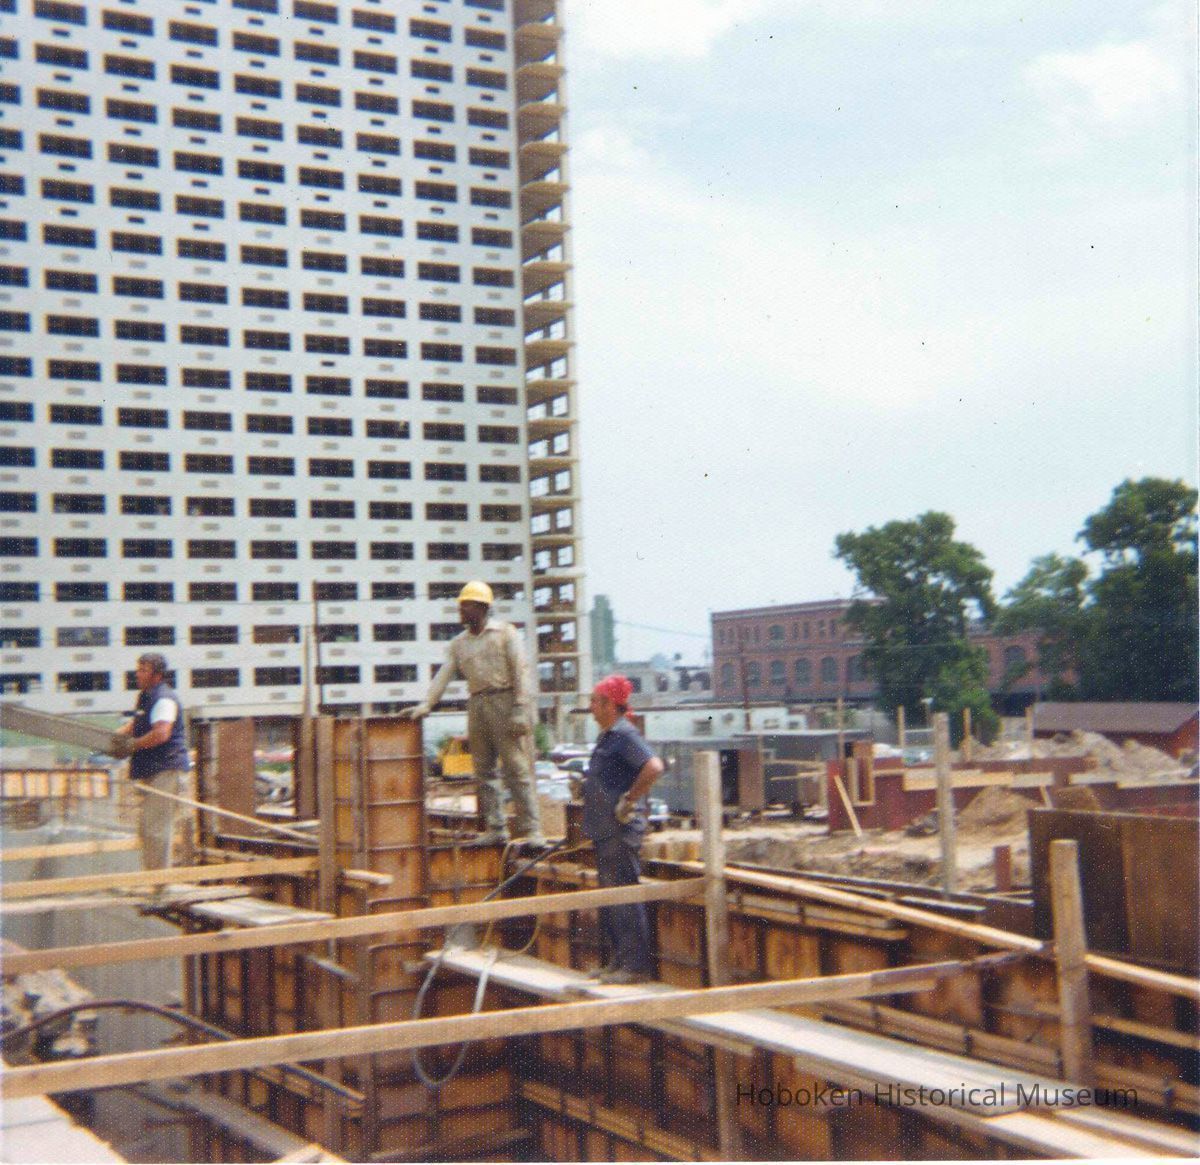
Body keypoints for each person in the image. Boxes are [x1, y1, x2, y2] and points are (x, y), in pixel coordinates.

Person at [403, 581, 544, 846]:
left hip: (505, 700)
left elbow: (520, 671)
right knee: (484, 771)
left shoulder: (505, 633)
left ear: (480, 607)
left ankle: (532, 830)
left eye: (465, 605)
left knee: (516, 768)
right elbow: (444, 674)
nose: (460, 610)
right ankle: (496, 828)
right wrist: (427, 704)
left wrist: (519, 708)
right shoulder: (459, 644)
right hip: (477, 704)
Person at [582, 674, 664, 984]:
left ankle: (635, 966)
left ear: (609, 705)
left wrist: (629, 800)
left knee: (624, 895)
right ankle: (619, 961)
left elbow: (653, 767)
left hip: (619, 830)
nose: (590, 708)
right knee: (612, 897)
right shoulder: (609, 737)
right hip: (606, 831)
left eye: (594, 701)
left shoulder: (626, 735)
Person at [111, 653, 194, 877]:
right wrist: (115, 737)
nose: (137, 674)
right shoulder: (145, 697)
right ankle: (155, 881)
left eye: (143, 670)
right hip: (155, 770)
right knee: (148, 828)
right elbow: (136, 722)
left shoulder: (164, 699)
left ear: (157, 675)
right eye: (138, 669)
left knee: (156, 830)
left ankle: (159, 886)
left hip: (166, 769)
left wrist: (131, 746)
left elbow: (161, 734)